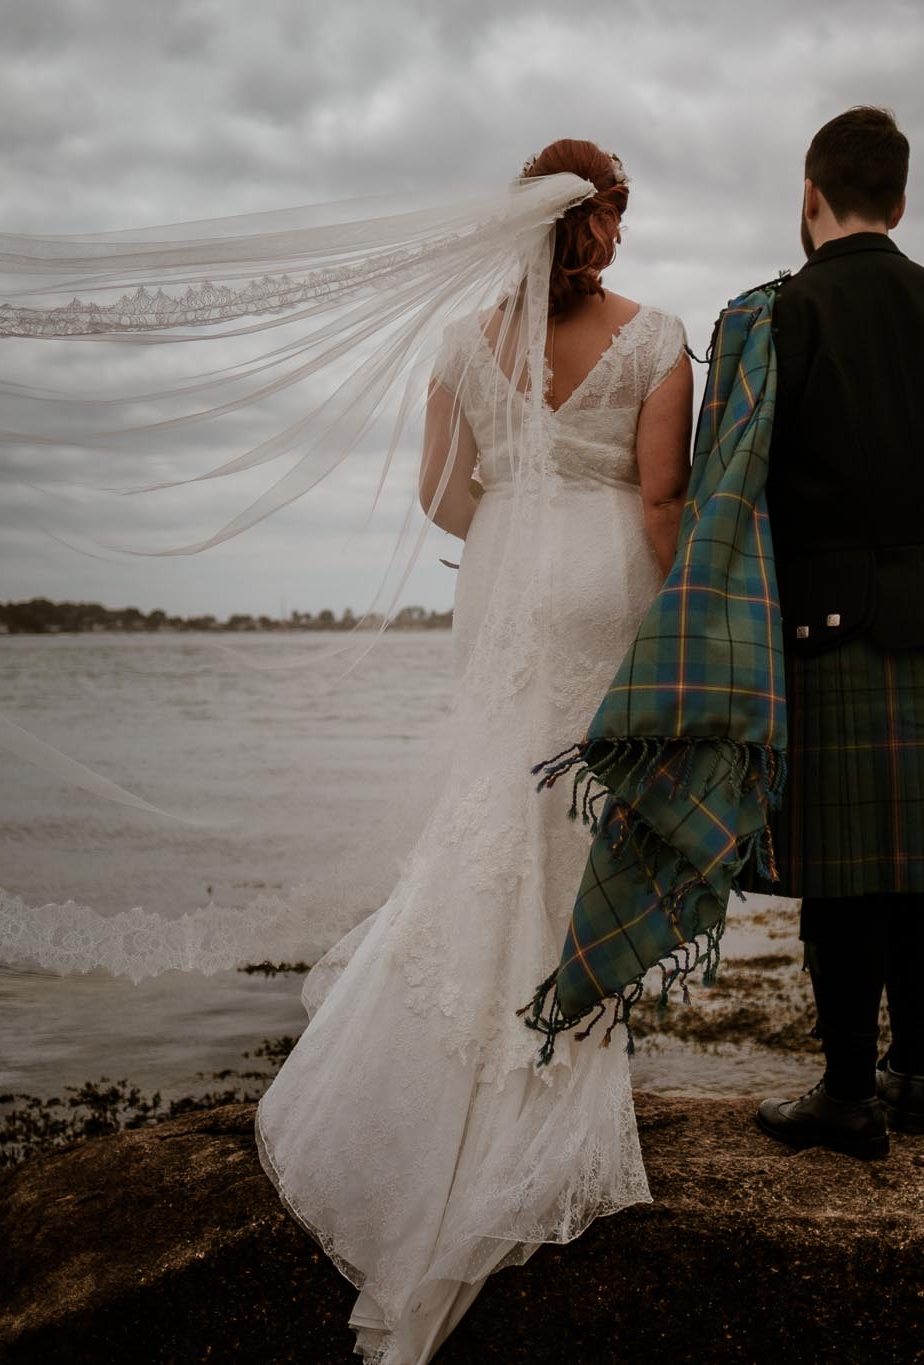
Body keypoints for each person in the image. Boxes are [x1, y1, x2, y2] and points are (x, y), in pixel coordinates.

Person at [252, 138, 694, 1364]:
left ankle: (445, 1066)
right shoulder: (656, 337)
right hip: (606, 578)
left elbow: (443, 499)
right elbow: (664, 501)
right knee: (581, 816)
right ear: (600, 220)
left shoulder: (460, 344)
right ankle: (555, 1052)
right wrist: (685, 632)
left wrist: (515, 512)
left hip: (500, 577)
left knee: (491, 799)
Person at [745, 107, 924, 1158]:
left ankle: (845, 1093)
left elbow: (741, 493)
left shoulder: (770, 318)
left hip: (820, 625)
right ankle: (913, 1078)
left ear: (808, 198)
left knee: (840, 872)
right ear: (899, 203)